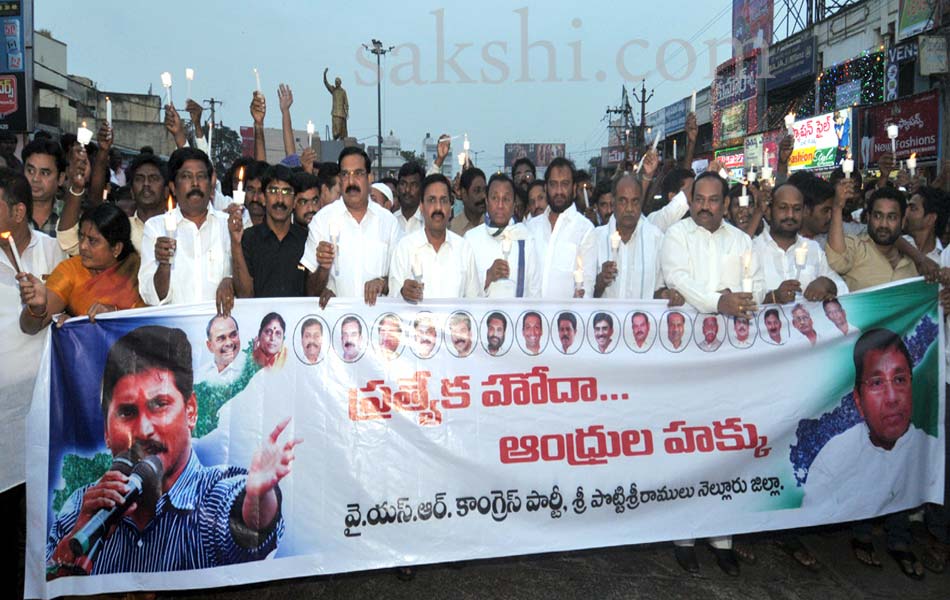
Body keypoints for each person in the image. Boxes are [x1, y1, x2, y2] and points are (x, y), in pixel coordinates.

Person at [46, 325, 298, 574]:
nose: (144, 430)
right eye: (127, 412)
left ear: (191, 411)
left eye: (159, 405)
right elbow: (50, 582)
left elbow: (247, 522)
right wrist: (74, 542)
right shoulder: (80, 505)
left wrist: (257, 497)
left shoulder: (213, 494)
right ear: (106, 433)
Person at [804, 329, 941, 579]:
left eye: (899, 380)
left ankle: (900, 539)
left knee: (906, 471)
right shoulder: (832, 457)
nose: (892, 398)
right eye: (877, 383)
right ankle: (862, 533)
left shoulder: (929, 448)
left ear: (912, 385)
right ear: (858, 399)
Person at [0, 167, 65, 509]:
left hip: (43, 402)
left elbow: (45, 319)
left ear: (18, 212)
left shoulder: (54, 253)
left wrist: (44, 306)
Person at [19, 203, 145, 334]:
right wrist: (37, 308)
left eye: (92, 241)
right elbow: (29, 327)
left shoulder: (139, 273)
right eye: (81, 236)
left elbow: (154, 327)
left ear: (116, 248)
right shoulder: (71, 270)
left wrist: (116, 315)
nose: (83, 246)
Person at [139, 147, 238, 310]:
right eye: (186, 177)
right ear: (172, 187)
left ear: (210, 183)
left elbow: (246, 282)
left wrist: (231, 281)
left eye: (201, 176)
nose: (195, 183)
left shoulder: (228, 226)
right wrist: (164, 264)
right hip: (175, 331)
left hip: (221, 330)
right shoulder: (156, 228)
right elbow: (152, 297)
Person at [303, 147, 400, 308]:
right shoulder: (322, 221)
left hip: (376, 324)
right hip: (335, 323)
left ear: (370, 178)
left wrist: (383, 284)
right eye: (345, 174)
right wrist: (323, 270)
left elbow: (400, 280)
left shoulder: (389, 222)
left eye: (358, 174)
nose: (351, 181)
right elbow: (310, 292)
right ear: (340, 180)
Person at [661, 172, 764, 322]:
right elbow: (678, 281)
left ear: (726, 203)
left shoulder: (741, 240)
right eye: (699, 199)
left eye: (713, 200)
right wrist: (719, 301)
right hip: (689, 335)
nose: (704, 206)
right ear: (691, 201)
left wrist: (730, 294)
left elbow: (759, 286)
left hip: (735, 337)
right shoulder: (676, 234)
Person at [390, 173, 481, 301]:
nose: (438, 208)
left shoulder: (463, 249)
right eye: (431, 200)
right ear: (421, 206)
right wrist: (403, 293)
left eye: (443, 201)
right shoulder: (405, 248)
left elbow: (474, 303)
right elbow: (391, 305)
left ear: (450, 207)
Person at [752, 183, 845, 304]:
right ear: (769, 212)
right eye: (783, 207)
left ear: (803, 212)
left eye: (796, 209)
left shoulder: (813, 248)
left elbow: (843, 289)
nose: (790, 215)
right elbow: (740, 302)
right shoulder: (752, 249)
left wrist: (827, 283)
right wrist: (772, 298)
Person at [231, 165, 307, 298]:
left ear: (295, 201)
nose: (279, 200)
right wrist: (236, 243)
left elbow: (313, 292)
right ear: (264, 199)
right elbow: (245, 295)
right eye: (273, 191)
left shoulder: (306, 239)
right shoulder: (248, 239)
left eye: (286, 192)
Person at [527, 157, 595, 298]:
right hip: (531, 318)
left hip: (567, 318)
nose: (559, 191)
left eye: (564, 184)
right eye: (553, 184)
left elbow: (587, 287)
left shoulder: (585, 230)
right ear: (546, 188)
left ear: (574, 189)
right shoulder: (531, 228)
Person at [592, 174, 667, 301]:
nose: (629, 208)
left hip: (642, 320)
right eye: (623, 201)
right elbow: (583, 295)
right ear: (614, 202)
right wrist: (600, 281)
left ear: (641, 203)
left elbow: (658, 291)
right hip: (604, 321)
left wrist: (667, 295)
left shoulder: (656, 239)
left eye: (635, 201)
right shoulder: (595, 238)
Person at [826, 188, 917, 291]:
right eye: (878, 216)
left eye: (891, 217)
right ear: (868, 218)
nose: (883, 224)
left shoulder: (914, 259)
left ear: (903, 221)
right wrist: (837, 208)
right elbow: (837, 263)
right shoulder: (856, 247)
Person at [465, 173, 541, 298]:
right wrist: (487, 277)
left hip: (517, 316)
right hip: (481, 317)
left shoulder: (525, 238)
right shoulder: (471, 239)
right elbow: (463, 290)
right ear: (487, 202)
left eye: (506, 199)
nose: (500, 206)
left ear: (514, 205)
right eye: (495, 198)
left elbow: (534, 291)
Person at [22, 139, 67, 237]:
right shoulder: (9, 213)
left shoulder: (69, 215)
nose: (35, 179)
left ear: (61, 178)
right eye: (30, 171)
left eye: (45, 173)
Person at [198, 315, 246, 385]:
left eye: (233, 335)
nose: (229, 343)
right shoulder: (200, 376)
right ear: (210, 346)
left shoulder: (251, 370)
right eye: (221, 338)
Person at [902, 187, 946, 261]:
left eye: (913, 209)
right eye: (907, 207)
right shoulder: (896, 245)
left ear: (930, 219)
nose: (905, 213)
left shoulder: (944, 259)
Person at [450, 167, 486, 236]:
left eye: (485, 190)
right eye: (477, 191)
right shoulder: (453, 229)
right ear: (464, 193)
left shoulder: (492, 226)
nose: (483, 196)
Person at [394, 161, 425, 233]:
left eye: (413, 185)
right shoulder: (390, 221)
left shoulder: (428, 223)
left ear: (422, 189)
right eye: (403, 184)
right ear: (398, 188)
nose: (407, 190)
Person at [323, 69, 349, 140]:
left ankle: (340, 140)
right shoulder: (333, 90)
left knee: (342, 131)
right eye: (335, 82)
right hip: (334, 113)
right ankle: (335, 140)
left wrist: (347, 112)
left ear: (340, 83)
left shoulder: (343, 92)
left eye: (337, 82)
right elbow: (326, 83)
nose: (336, 83)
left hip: (341, 114)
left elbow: (346, 103)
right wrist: (324, 75)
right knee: (335, 131)